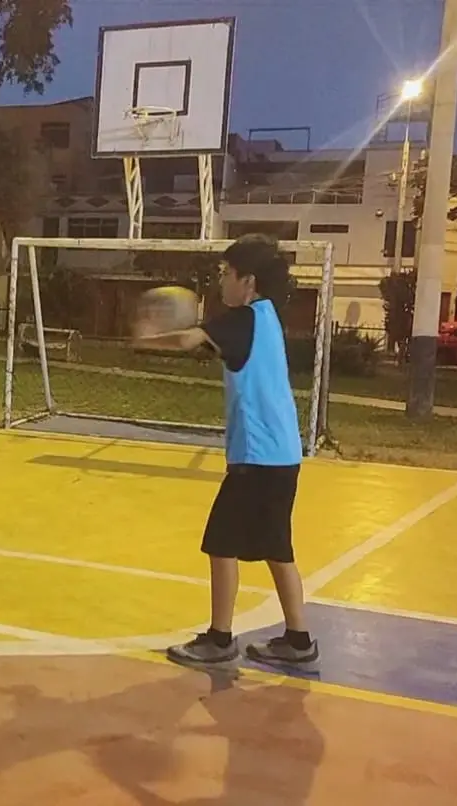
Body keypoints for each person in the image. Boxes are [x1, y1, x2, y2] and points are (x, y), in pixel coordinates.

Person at [134, 233, 318, 670]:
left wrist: (148, 338)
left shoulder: (243, 318)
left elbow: (188, 341)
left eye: (225, 273)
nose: (221, 281)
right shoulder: (266, 317)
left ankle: (219, 640)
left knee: (221, 542)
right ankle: (298, 641)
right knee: (277, 548)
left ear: (247, 281)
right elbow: (213, 347)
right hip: (282, 455)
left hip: (258, 457)